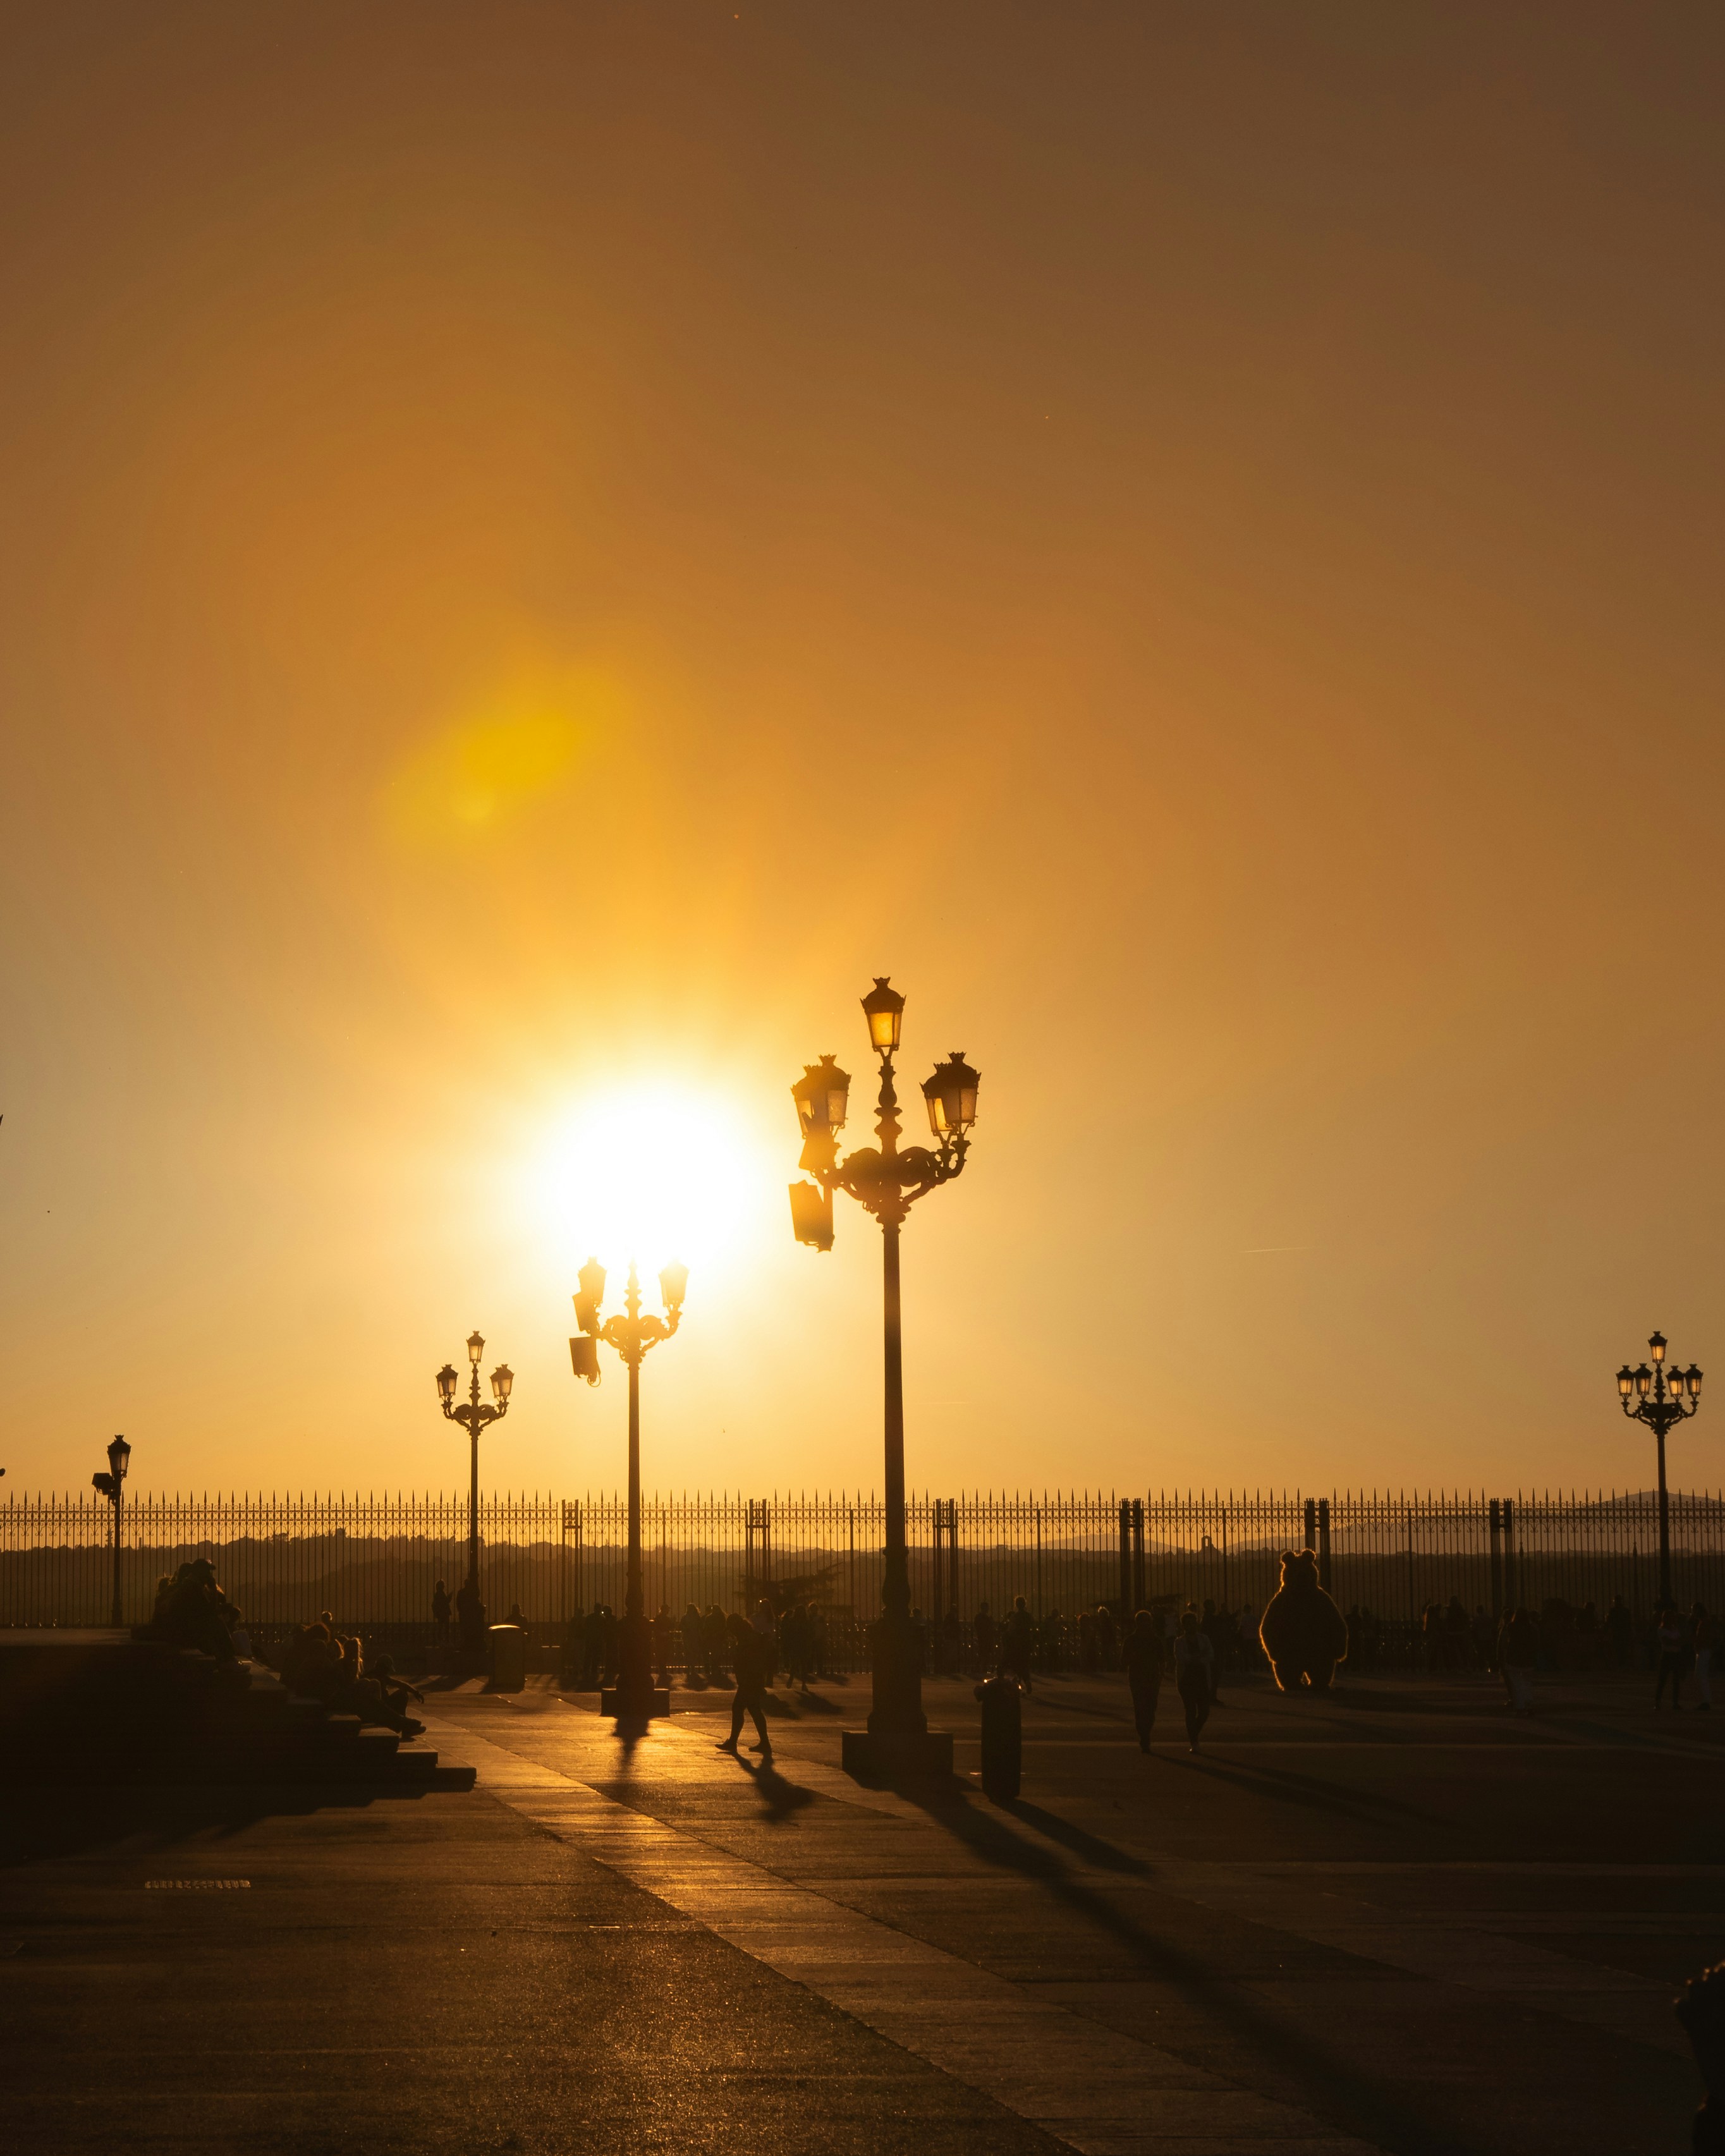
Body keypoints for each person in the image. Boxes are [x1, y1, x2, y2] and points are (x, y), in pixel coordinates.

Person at [716, 1602, 776, 1760]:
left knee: (738, 1708)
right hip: (753, 1679)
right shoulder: (750, 1636)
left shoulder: (747, 1640)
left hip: (749, 1679)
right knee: (754, 1709)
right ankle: (763, 1742)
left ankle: (735, 1742)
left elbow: (748, 1661)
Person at [1124, 1601, 1174, 1751]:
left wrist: (1161, 1672)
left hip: (1150, 1677)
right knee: (1141, 1707)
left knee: (1150, 1707)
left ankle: (1145, 1734)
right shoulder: (1132, 1640)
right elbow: (1124, 1660)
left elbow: (1162, 1659)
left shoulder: (1154, 1640)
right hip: (1139, 1677)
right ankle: (1144, 1736)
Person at [1174, 1612, 1214, 1752]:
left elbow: (1211, 1655)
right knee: (1190, 1710)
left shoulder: (1204, 1639)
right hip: (1186, 1680)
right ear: (1184, 1625)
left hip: (1202, 1679)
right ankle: (1194, 1741)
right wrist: (1198, 1658)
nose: (1192, 1626)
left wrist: (1194, 1658)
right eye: (1189, 1623)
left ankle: (1193, 1733)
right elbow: (1181, 1658)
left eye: (1193, 1623)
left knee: (1205, 1711)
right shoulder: (1179, 1641)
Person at [1499, 1605, 1538, 1716]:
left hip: (1514, 1660)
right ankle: (1528, 1703)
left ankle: (1520, 1707)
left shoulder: (1511, 1627)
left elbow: (1507, 1644)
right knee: (1527, 1683)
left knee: (1517, 1685)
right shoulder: (1532, 1629)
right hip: (1528, 1660)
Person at [1656, 1604, 1690, 1710]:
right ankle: (1657, 1702)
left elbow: (1679, 1641)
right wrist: (1677, 1642)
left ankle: (1675, 1703)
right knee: (1663, 1680)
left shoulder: (1675, 1629)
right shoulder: (1661, 1630)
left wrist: (1675, 1642)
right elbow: (1668, 1642)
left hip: (1675, 1655)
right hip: (1667, 1655)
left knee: (1676, 1680)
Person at [1003, 1597, 1035, 1690]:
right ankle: (1027, 1680)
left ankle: (1019, 1682)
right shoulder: (1028, 1616)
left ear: (1016, 1605)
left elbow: (1011, 1631)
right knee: (1025, 1663)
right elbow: (1033, 1628)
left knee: (1016, 1663)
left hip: (1017, 1643)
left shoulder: (1015, 1617)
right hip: (1027, 1642)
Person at [1694, 1604, 1715, 1713]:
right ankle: (1706, 1700)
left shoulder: (1705, 1623)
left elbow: (1704, 1638)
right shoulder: (1705, 1622)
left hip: (1703, 1651)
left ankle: (1706, 1700)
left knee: (1701, 1676)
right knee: (1701, 1676)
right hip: (1703, 1650)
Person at [973, 1601, 998, 1677]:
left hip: (982, 1637)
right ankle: (982, 1667)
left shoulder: (978, 1617)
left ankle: (979, 1668)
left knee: (982, 1653)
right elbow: (990, 1627)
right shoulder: (986, 1618)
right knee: (985, 1653)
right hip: (986, 1638)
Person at [431, 1579, 452, 1645]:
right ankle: (445, 1640)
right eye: (443, 1585)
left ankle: (440, 1639)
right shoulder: (441, 1593)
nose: (444, 1586)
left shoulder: (437, 1593)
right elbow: (445, 1602)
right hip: (444, 1612)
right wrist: (450, 1597)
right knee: (445, 1627)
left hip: (441, 1613)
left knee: (441, 1626)